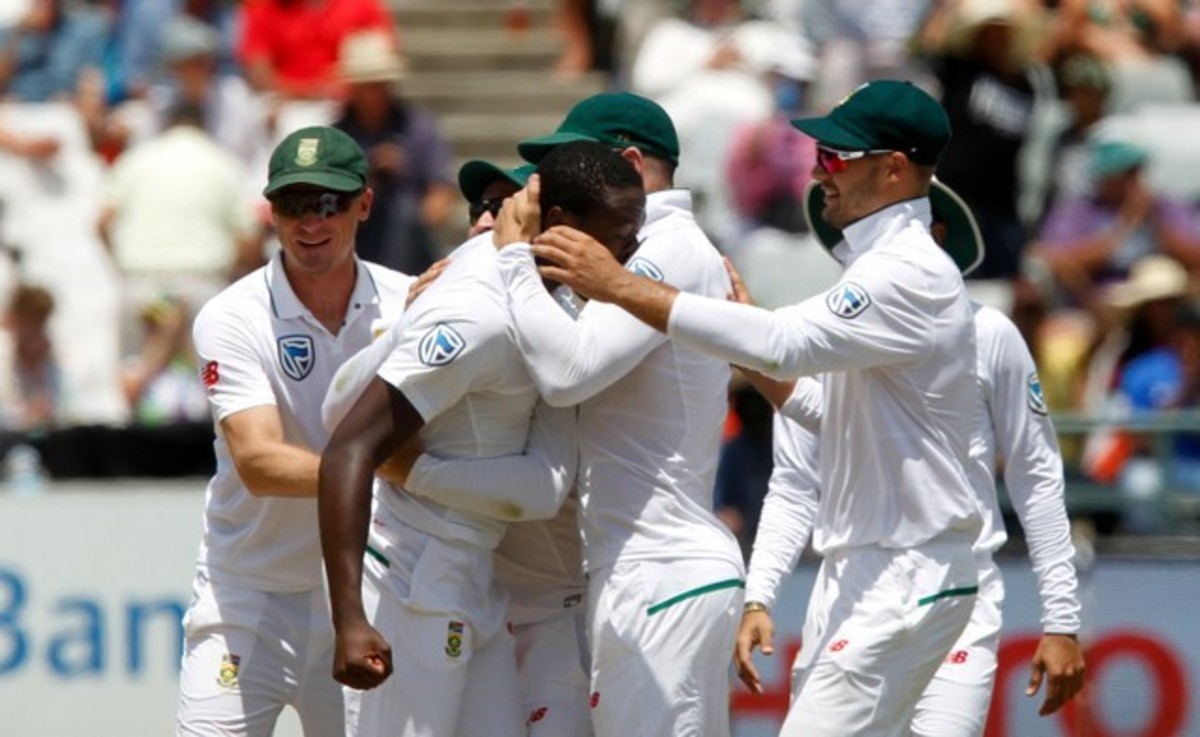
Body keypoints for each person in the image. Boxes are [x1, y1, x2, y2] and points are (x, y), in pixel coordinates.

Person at [527, 80, 983, 735]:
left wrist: (620, 286)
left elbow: (784, 342)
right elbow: (826, 412)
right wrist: (744, 345)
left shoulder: (908, 269)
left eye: (835, 157)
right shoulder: (883, 265)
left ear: (893, 168)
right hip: (876, 564)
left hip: (905, 564)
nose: (818, 172)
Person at [734, 180, 1086, 736]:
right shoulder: (820, 339)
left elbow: (1035, 475)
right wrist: (759, 597)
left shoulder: (990, 333)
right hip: (849, 590)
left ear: (937, 237)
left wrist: (1061, 618)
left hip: (955, 584)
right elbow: (796, 484)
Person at [317, 141, 645, 737]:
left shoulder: (542, 300)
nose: (630, 253)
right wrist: (350, 619)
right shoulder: (477, 314)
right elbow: (346, 445)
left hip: (470, 573)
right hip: (414, 574)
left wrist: (414, 467)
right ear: (560, 222)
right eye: (619, 235)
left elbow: (544, 486)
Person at [497, 91, 746, 737]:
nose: (556, 186)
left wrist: (509, 260)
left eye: (575, 163)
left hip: (661, 569)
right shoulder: (643, 246)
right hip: (648, 570)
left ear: (631, 165)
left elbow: (568, 373)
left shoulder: (670, 246)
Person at [177, 125, 413, 737]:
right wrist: (380, 468)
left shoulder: (408, 303)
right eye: (292, 203)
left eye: (328, 203)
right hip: (248, 593)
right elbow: (259, 463)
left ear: (364, 203)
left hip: (369, 591)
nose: (310, 221)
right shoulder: (232, 315)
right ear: (271, 212)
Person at [334, 30, 457, 274]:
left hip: (410, 236)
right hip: (354, 235)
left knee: (402, 212)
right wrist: (368, 178)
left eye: (380, 85)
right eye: (368, 86)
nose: (375, 94)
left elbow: (441, 199)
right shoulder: (338, 136)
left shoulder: (417, 126)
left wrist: (406, 182)